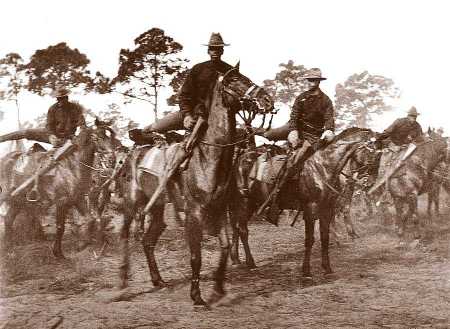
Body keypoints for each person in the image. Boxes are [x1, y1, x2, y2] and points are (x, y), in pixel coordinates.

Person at [260, 68, 335, 225]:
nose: (311, 82)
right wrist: (293, 131)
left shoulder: (326, 101)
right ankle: (273, 197)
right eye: (309, 80)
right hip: (297, 131)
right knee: (270, 138)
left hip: (313, 137)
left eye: (314, 80)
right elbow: (294, 117)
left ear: (319, 82)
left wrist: (328, 130)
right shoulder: (301, 98)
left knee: (300, 161)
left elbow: (329, 119)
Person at [143, 33, 233, 133]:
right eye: (212, 48)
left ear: (222, 51)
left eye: (218, 49)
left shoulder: (229, 71)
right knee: (156, 127)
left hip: (219, 118)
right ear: (208, 51)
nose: (215, 51)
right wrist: (187, 115)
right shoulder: (198, 69)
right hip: (193, 112)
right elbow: (184, 95)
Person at [0, 86, 86, 147]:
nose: (59, 101)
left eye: (61, 98)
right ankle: (2, 138)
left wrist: (75, 136)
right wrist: (51, 136)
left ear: (66, 98)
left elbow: (82, 125)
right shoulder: (53, 109)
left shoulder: (75, 109)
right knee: (26, 132)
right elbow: (49, 125)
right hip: (51, 135)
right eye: (58, 98)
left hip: (67, 139)